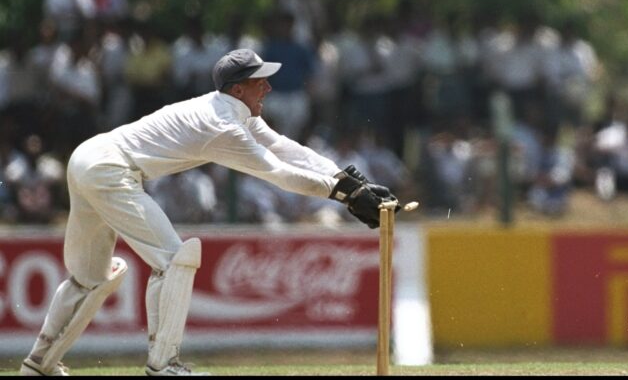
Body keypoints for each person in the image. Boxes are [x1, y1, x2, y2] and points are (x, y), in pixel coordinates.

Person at [20, 48, 400, 377]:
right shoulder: (223, 127)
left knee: (89, 277)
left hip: (88, 157)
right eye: (259, 81)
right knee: (175, 259)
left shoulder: (233, 112)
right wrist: (340, 194)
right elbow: (278, 173)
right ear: (238, 88)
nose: (267, 87)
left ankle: (39, 363)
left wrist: (345, 179)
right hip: (109, 168)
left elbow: (285, 147)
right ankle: (164, 363)